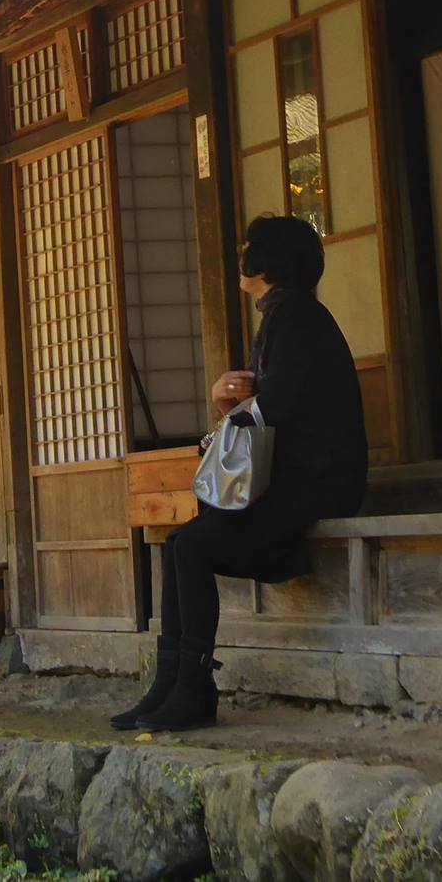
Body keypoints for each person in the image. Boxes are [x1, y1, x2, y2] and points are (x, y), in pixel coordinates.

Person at [113, 215, 369, 733]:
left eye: (249, 248)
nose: (241, 257)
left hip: (318, 480)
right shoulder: (285, 315)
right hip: (298, 476)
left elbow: (277, 407)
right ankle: (171, 682)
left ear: (268, 263)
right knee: (179, 543)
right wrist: (235, 399)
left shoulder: (296, 318)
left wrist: (227, 404)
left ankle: (194, 687)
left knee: (191, 546)